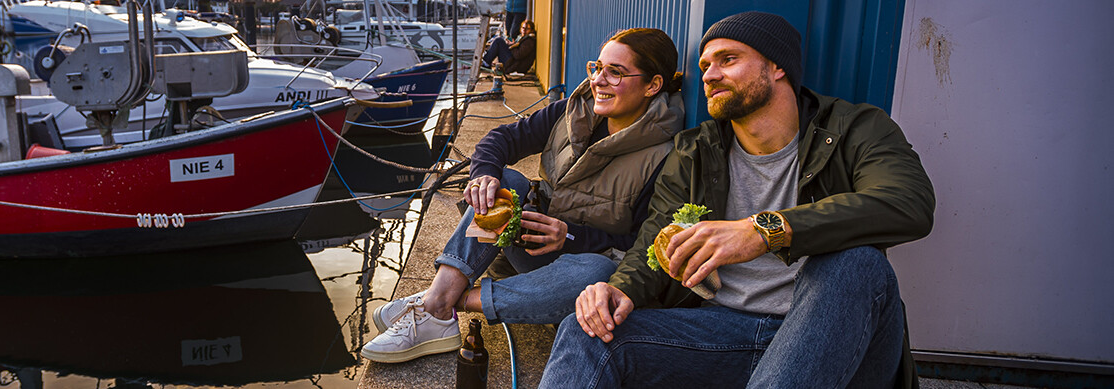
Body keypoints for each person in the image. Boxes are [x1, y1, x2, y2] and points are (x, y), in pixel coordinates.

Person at [539, 11, 936, 388]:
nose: (709, 75)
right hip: (725, 332)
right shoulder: (695, 150)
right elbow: (654, 241)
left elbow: (908, 202)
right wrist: (619, 290)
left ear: (777, 67)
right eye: (705, 65)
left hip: (830, 337)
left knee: (857, 262)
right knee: (587, 329)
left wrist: (764, 231)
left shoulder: (855, 128)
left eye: (727, 60)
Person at [360, 28, 686, 364]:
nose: (598, 81)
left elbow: (641, 247)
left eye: (615, 72)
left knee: (598, 273)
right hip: (528, 248)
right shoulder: (573, 111)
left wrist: (569, 235)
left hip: (575, 272)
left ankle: (441, 301)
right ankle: (438, 305)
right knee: (505, 180)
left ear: (652, 85)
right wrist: (483, 175)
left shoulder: (666, 156)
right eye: (597, 67)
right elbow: (500, 139)